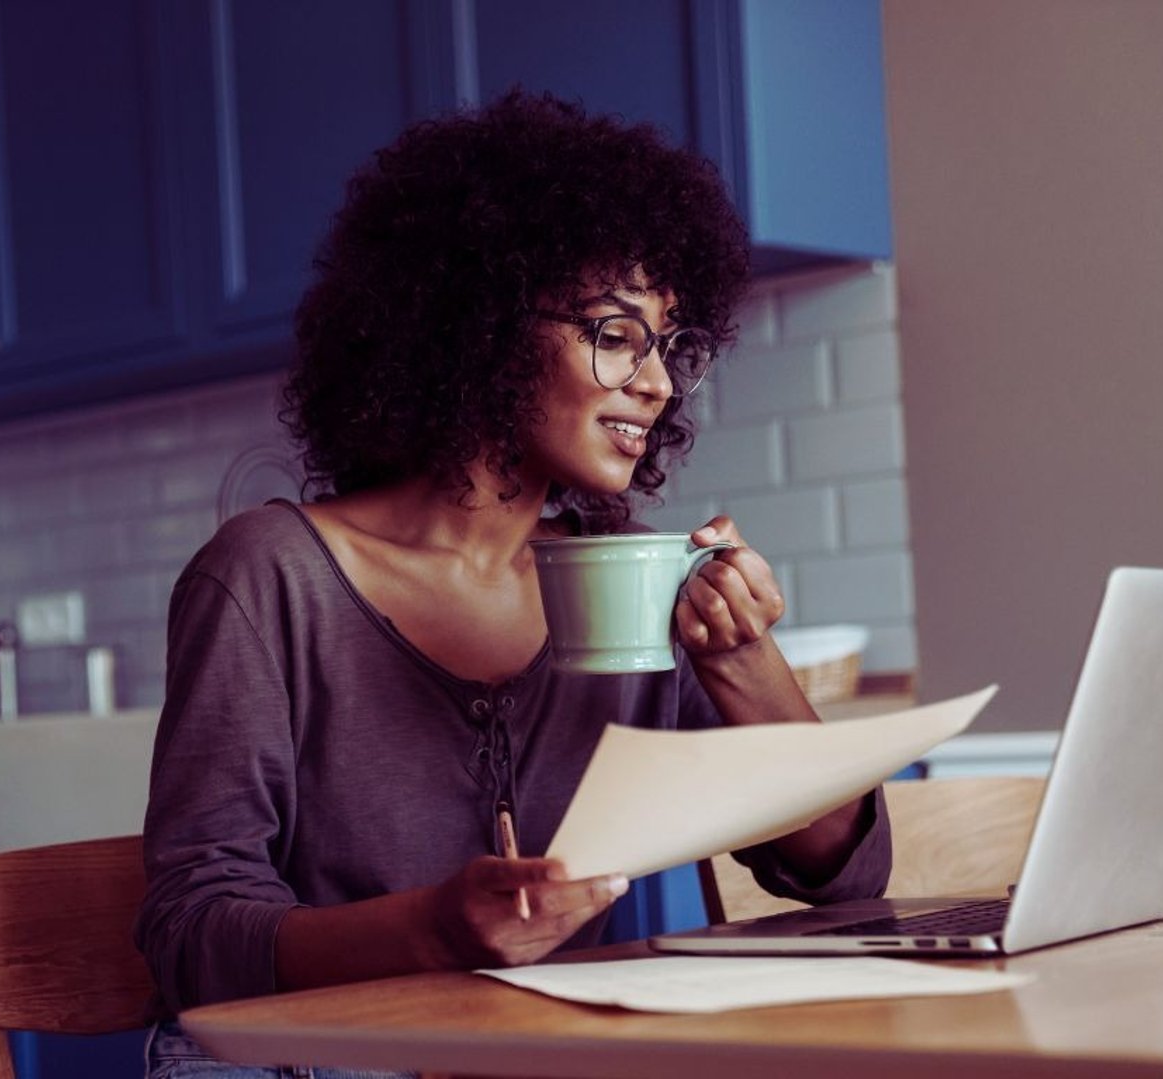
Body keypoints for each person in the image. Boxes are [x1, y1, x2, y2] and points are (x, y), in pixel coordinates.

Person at [134, 90, 890, 1077]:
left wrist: (745, 662)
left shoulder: (628, 579)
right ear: (478, 323)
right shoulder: (270, 577)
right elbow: (192, 933)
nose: (658, 384)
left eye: (669, 346)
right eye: (617, 335)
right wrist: (434, 928)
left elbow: (845, 871)